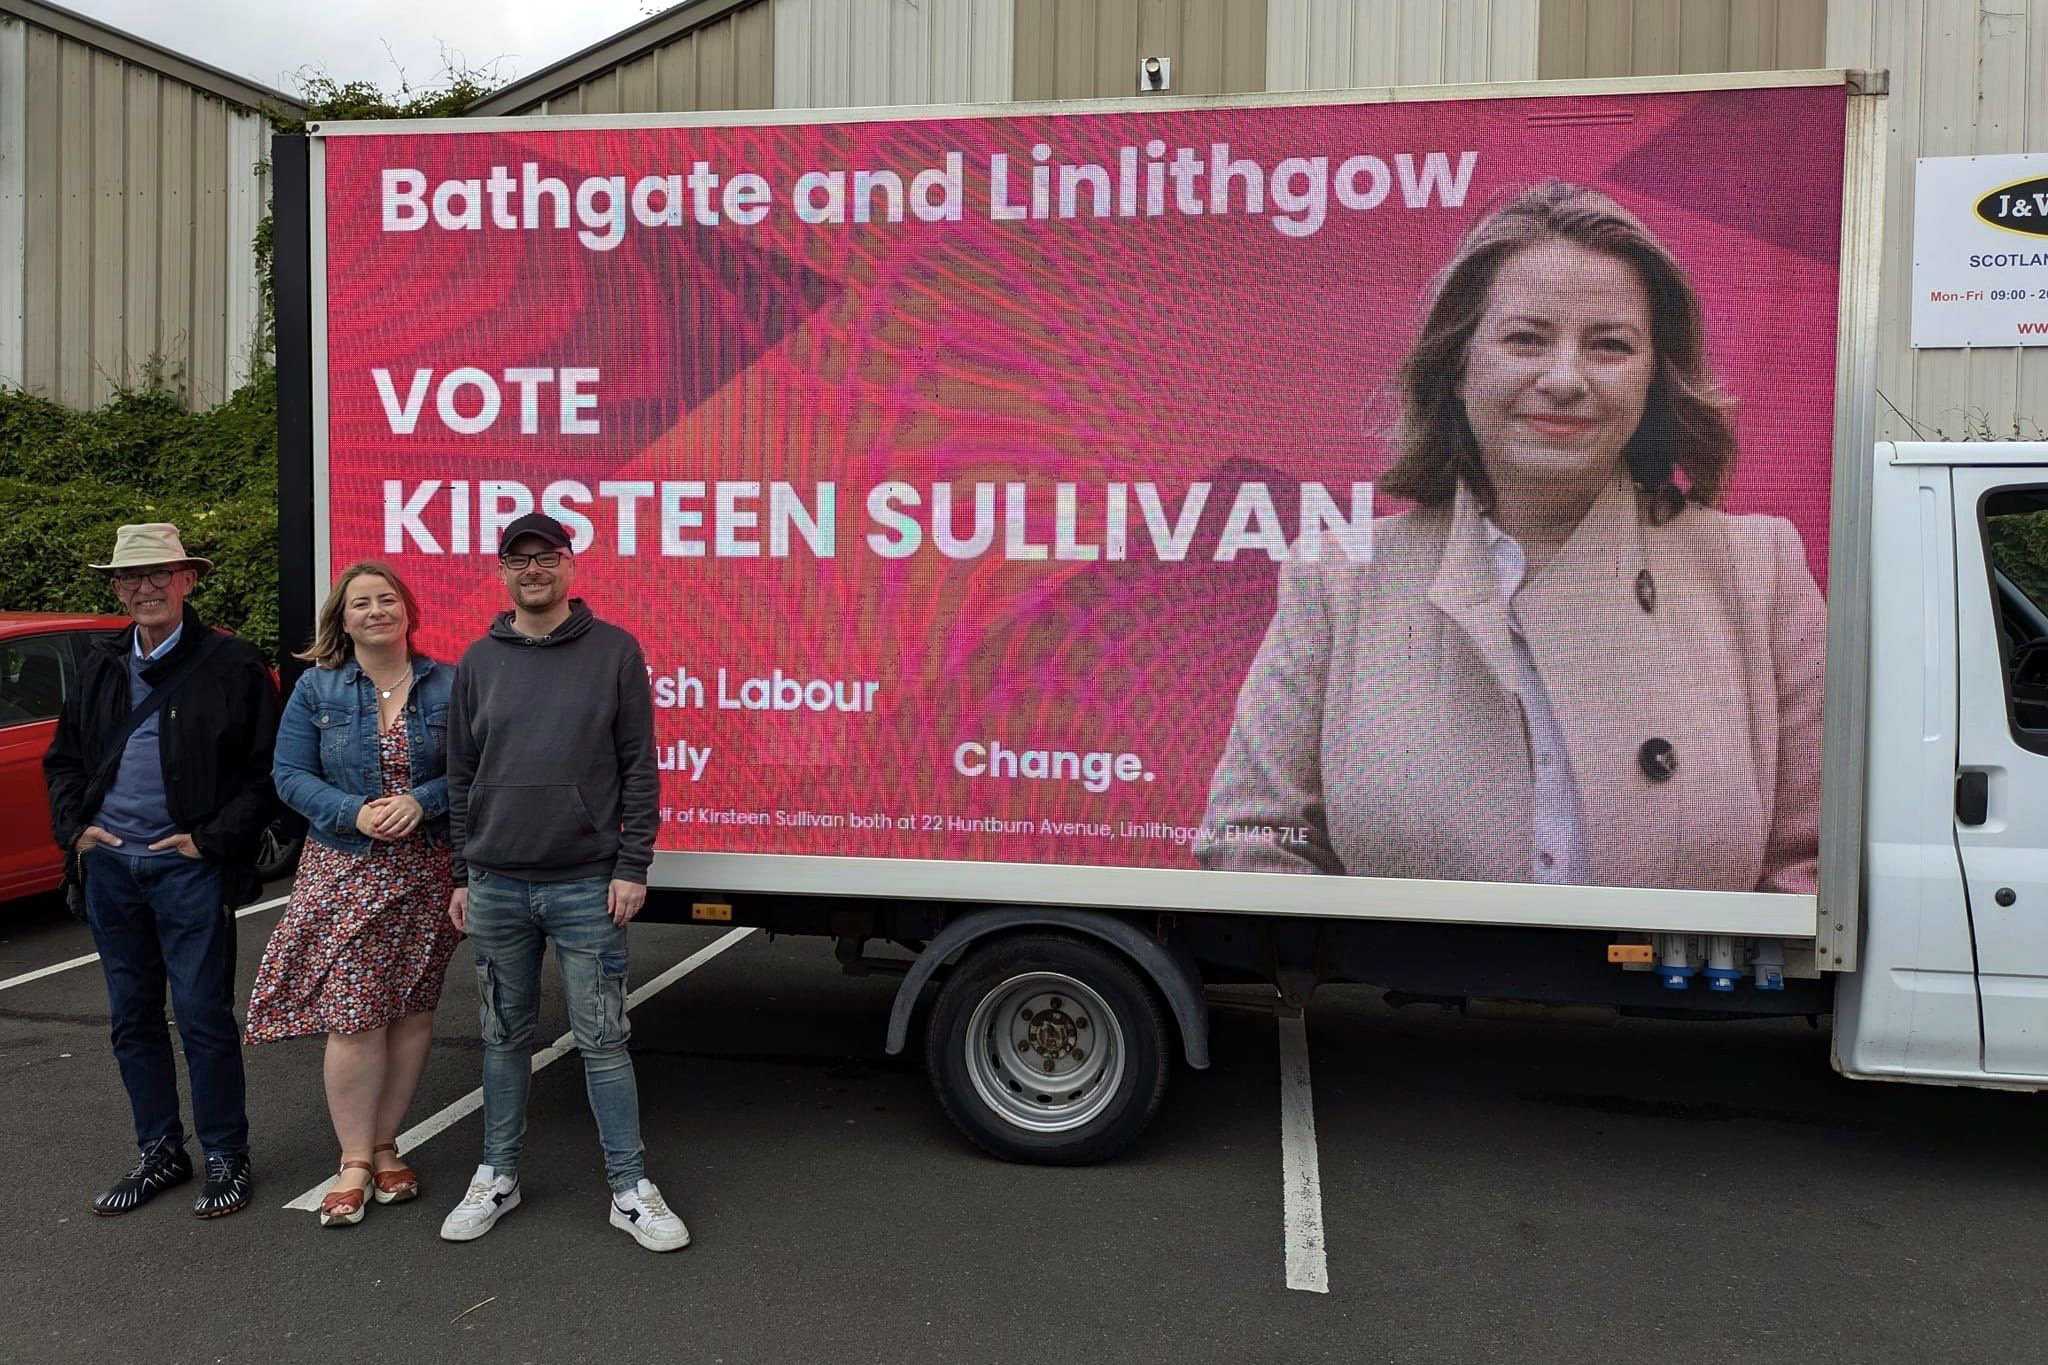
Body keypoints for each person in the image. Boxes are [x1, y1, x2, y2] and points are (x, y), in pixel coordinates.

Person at [1197, 181, 1824, 895]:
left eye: (1610, 346)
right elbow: (1252, 841)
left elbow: (1811, 869)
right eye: (1526, 338)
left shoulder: (1758, 571)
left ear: (1655, 378)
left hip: (1674, 1007)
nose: (1564, 379)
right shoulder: (1341, 580)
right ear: (1459, 366)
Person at [437, 512, 687, 1252]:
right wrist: (460, 870)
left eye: (547, 556)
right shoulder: (479, 660)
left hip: (586, 883)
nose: (534, 569)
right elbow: (460, 773)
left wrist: (632, 863)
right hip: (497, 882)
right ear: (502, 571)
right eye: (520, 559)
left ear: (570, 567)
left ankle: (629, 1189)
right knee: (502, 1038)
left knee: (605, 1039)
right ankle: (498, 1175)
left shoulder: (613, 651)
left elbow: (639, 763)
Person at [43, 522, 279, 1217]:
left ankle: (226, 1154)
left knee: (204, 1015)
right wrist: (76, 831)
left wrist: (209, 840)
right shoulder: (101, 663)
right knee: (132, 1019)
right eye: (130, 577)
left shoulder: (233, 665)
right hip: (111, 870)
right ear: (116, 586)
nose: (143, 587)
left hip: (188, 872)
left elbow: (266, 773)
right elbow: (64, 760)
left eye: (158, 574)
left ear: (187, 580)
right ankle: (160, 1151)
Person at [245, 562, 462, 1227]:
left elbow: (477, 772)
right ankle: (353, 1160)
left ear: (408, 611)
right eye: (361, 602)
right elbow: (287, 773)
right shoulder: (316, 688)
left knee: (412, 1010)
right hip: (344, 869)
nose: (375, 610)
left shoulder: (450, 684)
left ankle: (386, 1143)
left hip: (425, 872)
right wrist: (354, 811)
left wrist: (421, 802)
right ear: (342, 619)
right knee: (354, 1014)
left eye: (386, 599)